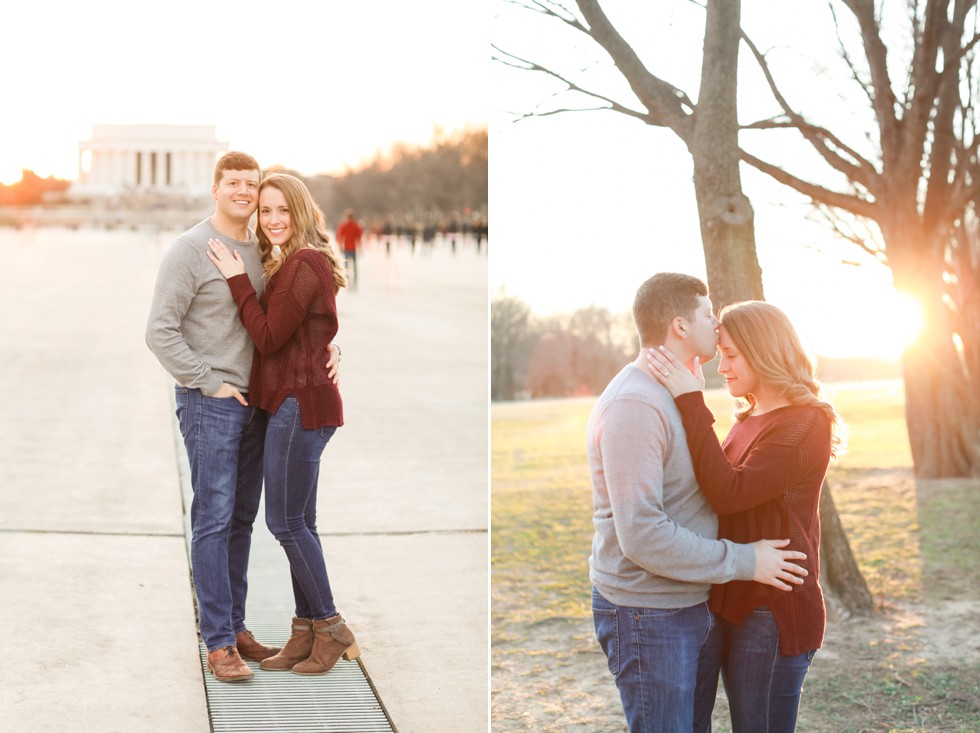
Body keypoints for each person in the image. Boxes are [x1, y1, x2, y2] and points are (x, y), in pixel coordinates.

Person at [145, 153, 339, 683]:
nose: (245, 192)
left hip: (260, 404)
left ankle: (236, 626)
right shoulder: (188, 251)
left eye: (251, 185)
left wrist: (330, 347)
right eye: (234, 183)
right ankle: (218, 643)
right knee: (212, 518)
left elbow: (288, 321)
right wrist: (209, 381)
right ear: (215, 188)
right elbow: (159, 332)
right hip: (211, 403)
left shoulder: (262, 251)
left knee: (242, 521)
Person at [588, 272, 810, 733]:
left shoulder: (676, 391)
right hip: (649, 612)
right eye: (708, 315)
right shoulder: (636, 405)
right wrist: (744, 560)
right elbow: (643, 534)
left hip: (692, 601)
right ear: (680, 326)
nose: (717, 322)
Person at [645, 299, 843, 732]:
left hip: (773, 612)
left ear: (765, 352)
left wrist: (689, 400)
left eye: (731, 355)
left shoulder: (804, 423)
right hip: (734, 602)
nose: (724, 367)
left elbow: (729, 493)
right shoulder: (751, 417)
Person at [206, 173, 359, 676]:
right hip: (297, 403)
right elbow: (307, 333)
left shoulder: (303, 263)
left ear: (300, 213)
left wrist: (235, 280)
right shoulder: (289, 264)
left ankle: (332, 629)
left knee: (285, 523)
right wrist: (329, 348)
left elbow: (270, 337)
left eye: (282, 211)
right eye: (264, 211)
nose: (272, 220)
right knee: (302, 524)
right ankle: (304, 630)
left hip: (301, 407)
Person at [335, 208, 363, 290]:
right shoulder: (356, 226)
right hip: (353, 249)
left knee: (346, 268)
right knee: (354, 267)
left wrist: (340, 246)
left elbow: (339, 237)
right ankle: (354, 284)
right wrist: (360, 248)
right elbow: (359, 238)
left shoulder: (344, 225)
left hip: (346, 249)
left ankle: (347, 284)